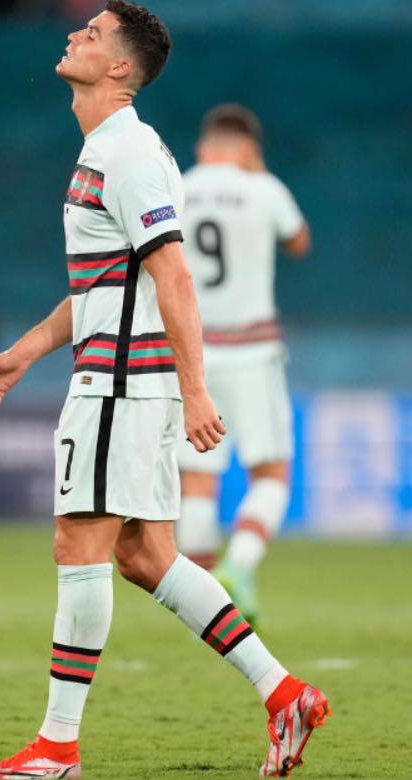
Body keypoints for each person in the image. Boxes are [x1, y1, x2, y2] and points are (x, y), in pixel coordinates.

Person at [0, 5, 328, 777]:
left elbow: (172, 276)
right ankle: (283, 693)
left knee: (79, 543)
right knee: (145, 553)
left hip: (123, 382)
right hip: (123, 375)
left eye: (92, 34)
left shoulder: (128, 152)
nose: (74, 37)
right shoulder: (108, 150)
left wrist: (195, 390)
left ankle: (57, 747)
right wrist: (25, 352)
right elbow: (104, 284)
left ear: (122, 68)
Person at [174, 104, 311, 626]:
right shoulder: (264, 187)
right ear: (248, 149)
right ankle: (240, 565)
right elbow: (299, 241)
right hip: (253, 351)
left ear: (205, 147)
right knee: (271, 472)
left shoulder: (179, 187)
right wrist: (258, 179)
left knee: (199, 481)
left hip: (195, 353)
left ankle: (204, 605)